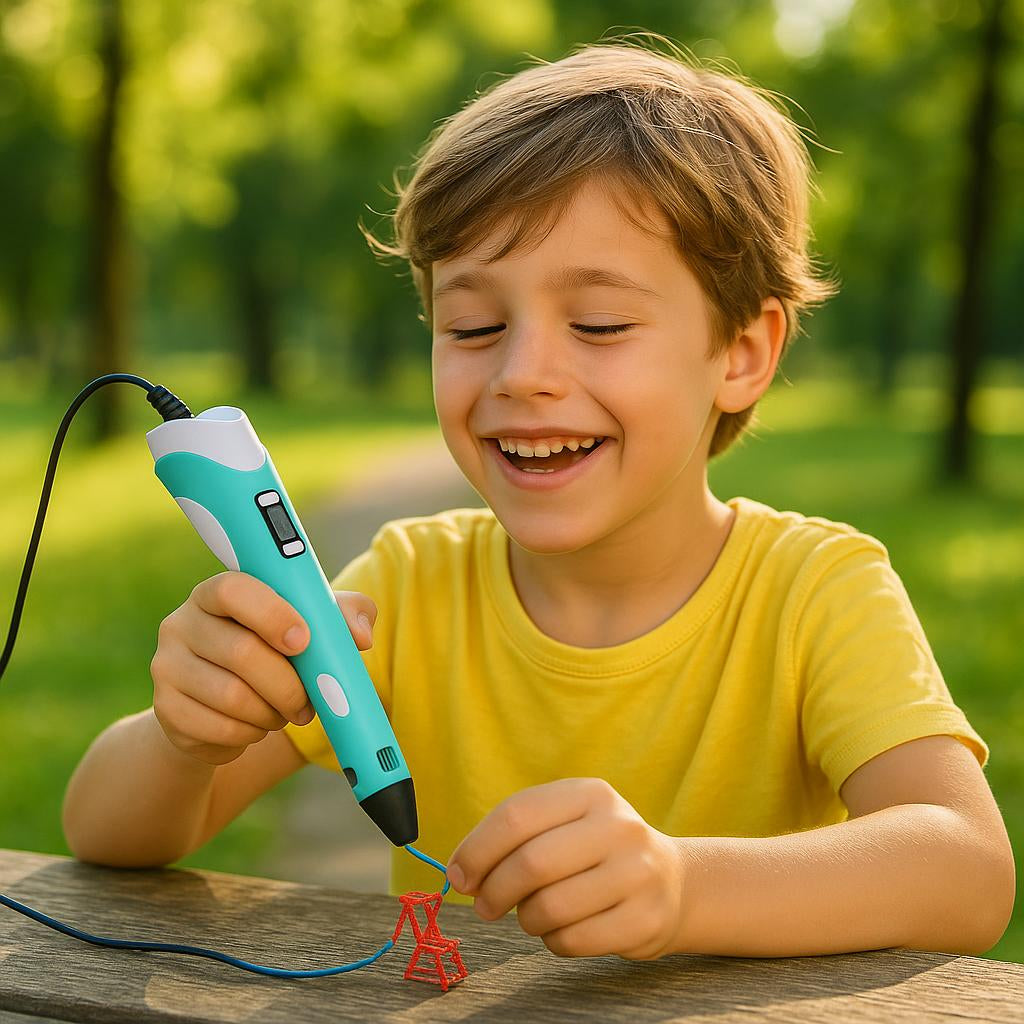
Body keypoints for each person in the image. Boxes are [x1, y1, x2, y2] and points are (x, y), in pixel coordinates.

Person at [62, 34, 1015, 959]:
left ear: (743, 353)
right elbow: (108, 836)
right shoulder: (407, 586)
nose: (523, 373)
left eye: (598, 323)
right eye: (472, 326)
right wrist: (184, 738)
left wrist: (684, 888)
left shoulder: (816, 592)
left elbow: (969, 870)